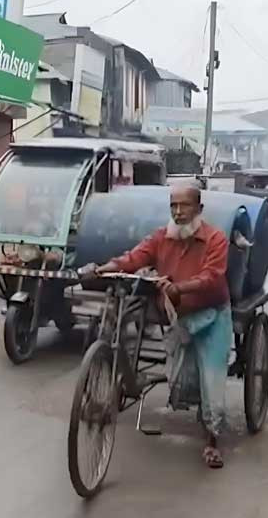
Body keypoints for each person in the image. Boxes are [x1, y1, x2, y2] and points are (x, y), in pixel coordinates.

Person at [82, 181, 233, 469]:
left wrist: (181, 288)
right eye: (173, 206)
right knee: (180, 379)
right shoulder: (162, 237)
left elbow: (213, 276)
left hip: (212, 314)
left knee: (211, 381)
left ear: (198, 208)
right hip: (178, 315)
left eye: (184, 206)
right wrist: (102, 269)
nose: (178, 212)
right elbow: (133, 258)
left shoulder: (215, 239)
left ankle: (213, 441)